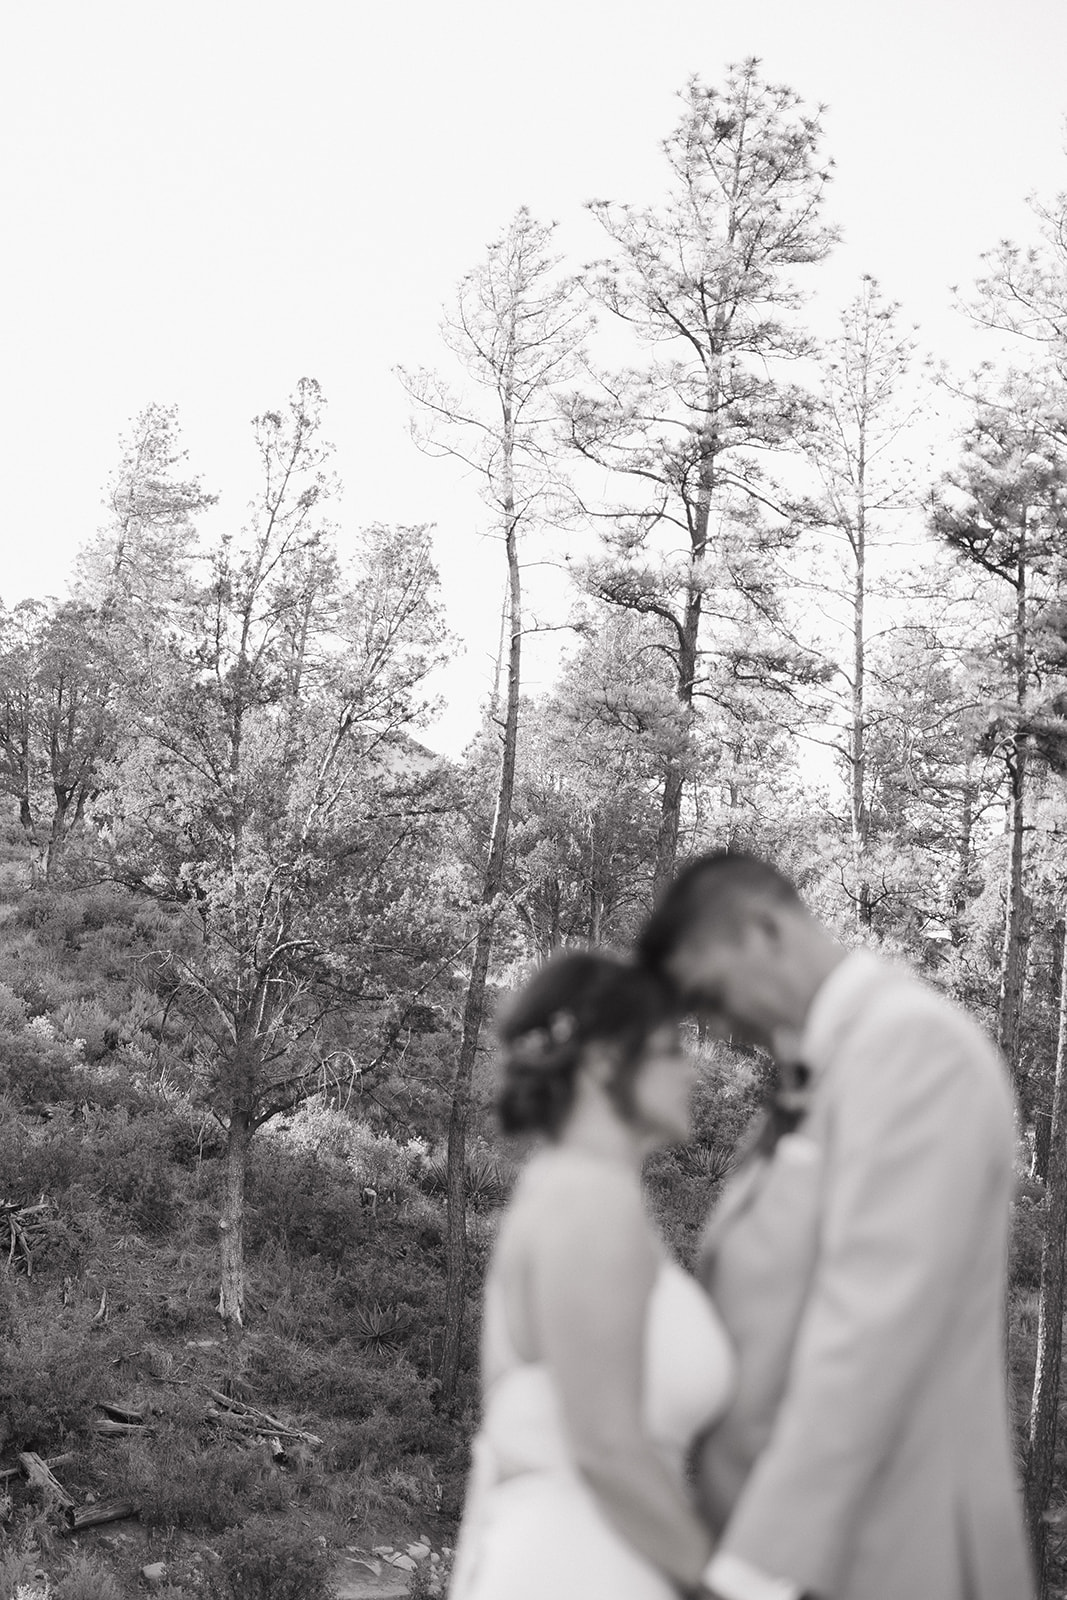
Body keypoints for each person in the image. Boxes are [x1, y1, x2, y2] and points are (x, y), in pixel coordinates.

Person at [638, 849, 1035, 1600]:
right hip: (802, 1544)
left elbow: (872, 1331)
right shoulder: (820, 1071)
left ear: (762, 930)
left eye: (712, 993)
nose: (720, 1027)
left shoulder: (914, 1051)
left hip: (880, 1549)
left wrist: (754, 1568)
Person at [448, 950, 736, 1600]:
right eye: (669, 1049)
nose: (689, 1070)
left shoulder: (584, 1192)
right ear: (606, 1059)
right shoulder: (586, 1201)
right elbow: (605, 1447)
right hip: (577, 1566)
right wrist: (728, 1587)